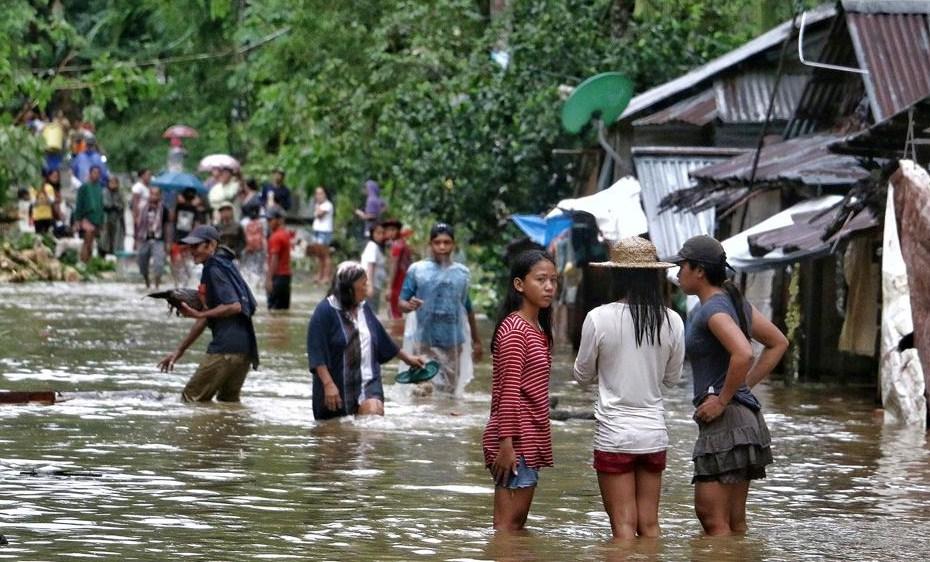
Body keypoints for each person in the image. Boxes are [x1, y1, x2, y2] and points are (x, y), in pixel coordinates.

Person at [665, 235, 788, 536]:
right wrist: (740, 388)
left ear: (699, 271)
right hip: (744, 419)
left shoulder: (712, 310)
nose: (677, 272)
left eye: (682, 265)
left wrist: (723, 398)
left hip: (727, 420)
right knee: (734, 522)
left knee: (712, 518)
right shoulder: (733, 302)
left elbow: (744, 352)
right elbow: (777, 343)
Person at [572, 237, 685, 539]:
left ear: (616, 276)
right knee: (650, 525)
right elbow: (672, 379)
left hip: (614, 434)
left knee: (623, 528)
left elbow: (582, 376)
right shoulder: (673, 320)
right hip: (653, 433)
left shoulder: (598, 318)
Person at [482, 249, 558, 532]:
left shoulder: (536, 328)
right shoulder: (516, 329)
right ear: (519, 284)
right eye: (541, 279)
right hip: (514, 441)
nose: (549, 286)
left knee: (514, 527)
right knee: (507, 528)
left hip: (526, 437)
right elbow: (509, 392)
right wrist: (506, 445)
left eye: (553, 280)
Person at [306, 261, 425, 420]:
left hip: (368, 381)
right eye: (363, 284)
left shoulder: (363, 308)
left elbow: (382, 338)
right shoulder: (325, 312)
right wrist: (328, 384)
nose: (367, 289)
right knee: (334, 435)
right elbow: (317, 352)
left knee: (372, 420)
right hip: (336, 385)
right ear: (349, 289)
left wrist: (408, 359)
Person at [157, 225, 259, 402]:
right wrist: (179, 351)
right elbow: (207, 316)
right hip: (244, 350)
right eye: (190, 247)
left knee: (190, 399)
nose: (191, 251)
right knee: (229, 405)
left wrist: (198, 314)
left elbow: (234, 306)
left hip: (225, 349)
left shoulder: (214, 268)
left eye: (196, 246)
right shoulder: (225, 265)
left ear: (211, 245)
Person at [399, 223, 482, 396]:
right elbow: (401, 302)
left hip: (453, 344)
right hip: (424, 342)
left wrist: (476, 340)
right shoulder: (417, 270)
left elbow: (467, 307)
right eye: (437, 242)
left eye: (446, 242)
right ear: (430, 244)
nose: (442, 247)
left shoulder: (462, 273)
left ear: (453, 244)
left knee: (448, 394)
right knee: (423, 390)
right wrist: (409, 305)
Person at [170, 187, 208, 286]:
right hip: (182, 239)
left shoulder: (190, 209)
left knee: (179, 263)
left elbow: (172, 218)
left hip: (183, 240)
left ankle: (181, 282)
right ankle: (180, 282)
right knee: (182, 263)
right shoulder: (181, 207)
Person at [136, 186, 168, 289]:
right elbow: (138, 224)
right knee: (142, 261)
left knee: (159, 263)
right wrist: (135, 239)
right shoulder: (143, 208)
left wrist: (168, 242)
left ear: (160, 196)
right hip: (144, 238)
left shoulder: (164, 209)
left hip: (159, 239)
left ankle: (157, 286)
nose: (154, 196)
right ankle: (147, 283)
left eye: (156, 194)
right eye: (152, 194)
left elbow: (167, 227)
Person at [73, 165, 105, 262]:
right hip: (87, 217)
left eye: (98, 173)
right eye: (94, 172)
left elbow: (101, 204)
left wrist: (102, 221)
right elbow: (79, 203)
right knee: (87, 241)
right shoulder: (84, 187)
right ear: (90, 173)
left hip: (97, 218)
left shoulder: (99, 188)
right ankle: (83, 262)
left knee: (92, 243)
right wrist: (77, 220)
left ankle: (89, 262)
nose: (96, 175)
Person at [383, 219, 411, 320]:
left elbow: (393, 266)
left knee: (395, 316)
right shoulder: (404, 245)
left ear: (398, 231)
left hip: (397, 286)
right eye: (388, 230)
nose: (390, 233)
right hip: (405, 285)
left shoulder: (397, 246)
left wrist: (389, 287)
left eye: (393, 230)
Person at [266, 207, 292, 310]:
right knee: (283, 311)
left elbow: (274, 259)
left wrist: (268, 279)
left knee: (273, 311)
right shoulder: (285, 234)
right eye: (267, 220)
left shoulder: (275, 237)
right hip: (286, 277)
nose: (268, 222)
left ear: (278, 220)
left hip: (277, 277)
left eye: (270, 220)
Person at [360, 223, 387, 314]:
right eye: (378, 233)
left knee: (372, 312)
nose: (381, 236)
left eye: (383, 233)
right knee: (371, 313)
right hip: (372, 284)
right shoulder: (372, 247)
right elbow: (370, 266)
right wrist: (370, 285)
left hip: (375, 284)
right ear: (372, 234)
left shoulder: (375, 247)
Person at [310, 186, 334, 284]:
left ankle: (326, 276)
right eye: (317, 193)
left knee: (325, 255)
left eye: (321, 193)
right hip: (316, 230)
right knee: (318, 255)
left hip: (324, 231)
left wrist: (317, 209)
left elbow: (319, 215)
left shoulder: (328, 205)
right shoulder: (318, 204)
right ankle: (319, 275)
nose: (318, 196)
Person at [240, 201, 266, 287]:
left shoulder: (244, 222)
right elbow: (264, 236)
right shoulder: (263, 222)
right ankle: (257, 285)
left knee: (246, 269)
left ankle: (248, 285)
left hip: (247, 248)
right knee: (259, 269)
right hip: (259, 249)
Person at [98, 175, 126, 257]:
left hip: (117, 219)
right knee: (105, 239)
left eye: (115, 182)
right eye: (111, 182)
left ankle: (114, 255)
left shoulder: (120, 193)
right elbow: (105, 205)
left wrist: (116, 206)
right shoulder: (105, 191)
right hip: (106, 219)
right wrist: (114, 206)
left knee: (117, 239)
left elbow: (122, 205)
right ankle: (104, 255)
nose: (113, 184)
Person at [30, 169, 59, 235]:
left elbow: (51, 202)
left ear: (45, 178)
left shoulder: (49, 188)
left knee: (47, 235)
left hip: (47, 216)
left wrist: (44, 192)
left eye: (42, 178)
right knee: (38, 235)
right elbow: (33, 203)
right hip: (37, 217)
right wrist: (38, 194)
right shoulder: (33, 188)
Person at [130, 169, 153, 247]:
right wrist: (136, 216)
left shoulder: (149, 186)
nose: (150, 177)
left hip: (148, 214)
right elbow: (135, 203)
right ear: (142, 176)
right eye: (148, 175)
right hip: (140, 214)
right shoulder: (138, 187)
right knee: (138, 234)